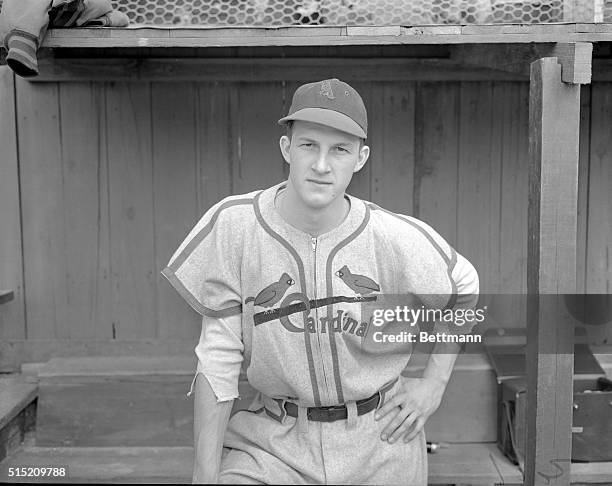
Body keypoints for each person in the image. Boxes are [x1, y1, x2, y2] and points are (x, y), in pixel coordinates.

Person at [162, 78, 479, 485]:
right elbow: (218, 358)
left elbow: (465, 289)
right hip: (273, 442)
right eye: (309, 145)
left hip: (379, 438)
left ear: (361, 158)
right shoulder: (236, 225)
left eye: (340, 149)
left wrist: (433, 384)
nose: (322, 165)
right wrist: (204, 476)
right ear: (286, 148)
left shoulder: (394, 237)